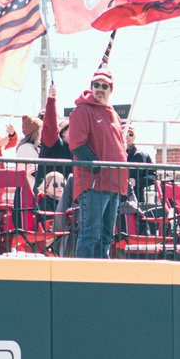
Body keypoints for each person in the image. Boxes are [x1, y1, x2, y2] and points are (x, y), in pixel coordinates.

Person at [67, 67, 129, 258]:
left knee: (106, 237)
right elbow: (77, 144)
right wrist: (96, 168)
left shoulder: (114, 115)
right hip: (95, 184)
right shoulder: (82, 110)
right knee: (90, 234)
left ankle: (102, 280)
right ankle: (83, 280)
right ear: (91, 87)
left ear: (111, 90)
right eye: (96, 85)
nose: (100, 89)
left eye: (104, 86)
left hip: (114, 184)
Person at [38, 84, 72, 183]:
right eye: (73, 129)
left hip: (67, 196)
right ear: (64, 133)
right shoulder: (53, 143)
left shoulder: (79, 151)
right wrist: (51, 100)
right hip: (46, 195)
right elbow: (50, 126)